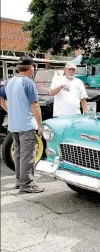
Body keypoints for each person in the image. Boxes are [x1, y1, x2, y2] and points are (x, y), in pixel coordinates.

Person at [0, 55, 45, 193]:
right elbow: (35, 106)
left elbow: (1, 100)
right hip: (27, 125)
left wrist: (12, 111)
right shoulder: (28, 82)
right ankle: (27, 184)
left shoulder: (9, 82)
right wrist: (40, 125)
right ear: (31, 67)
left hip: (14, 125)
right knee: (28, 155)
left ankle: (19, 181)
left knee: (19, 154)